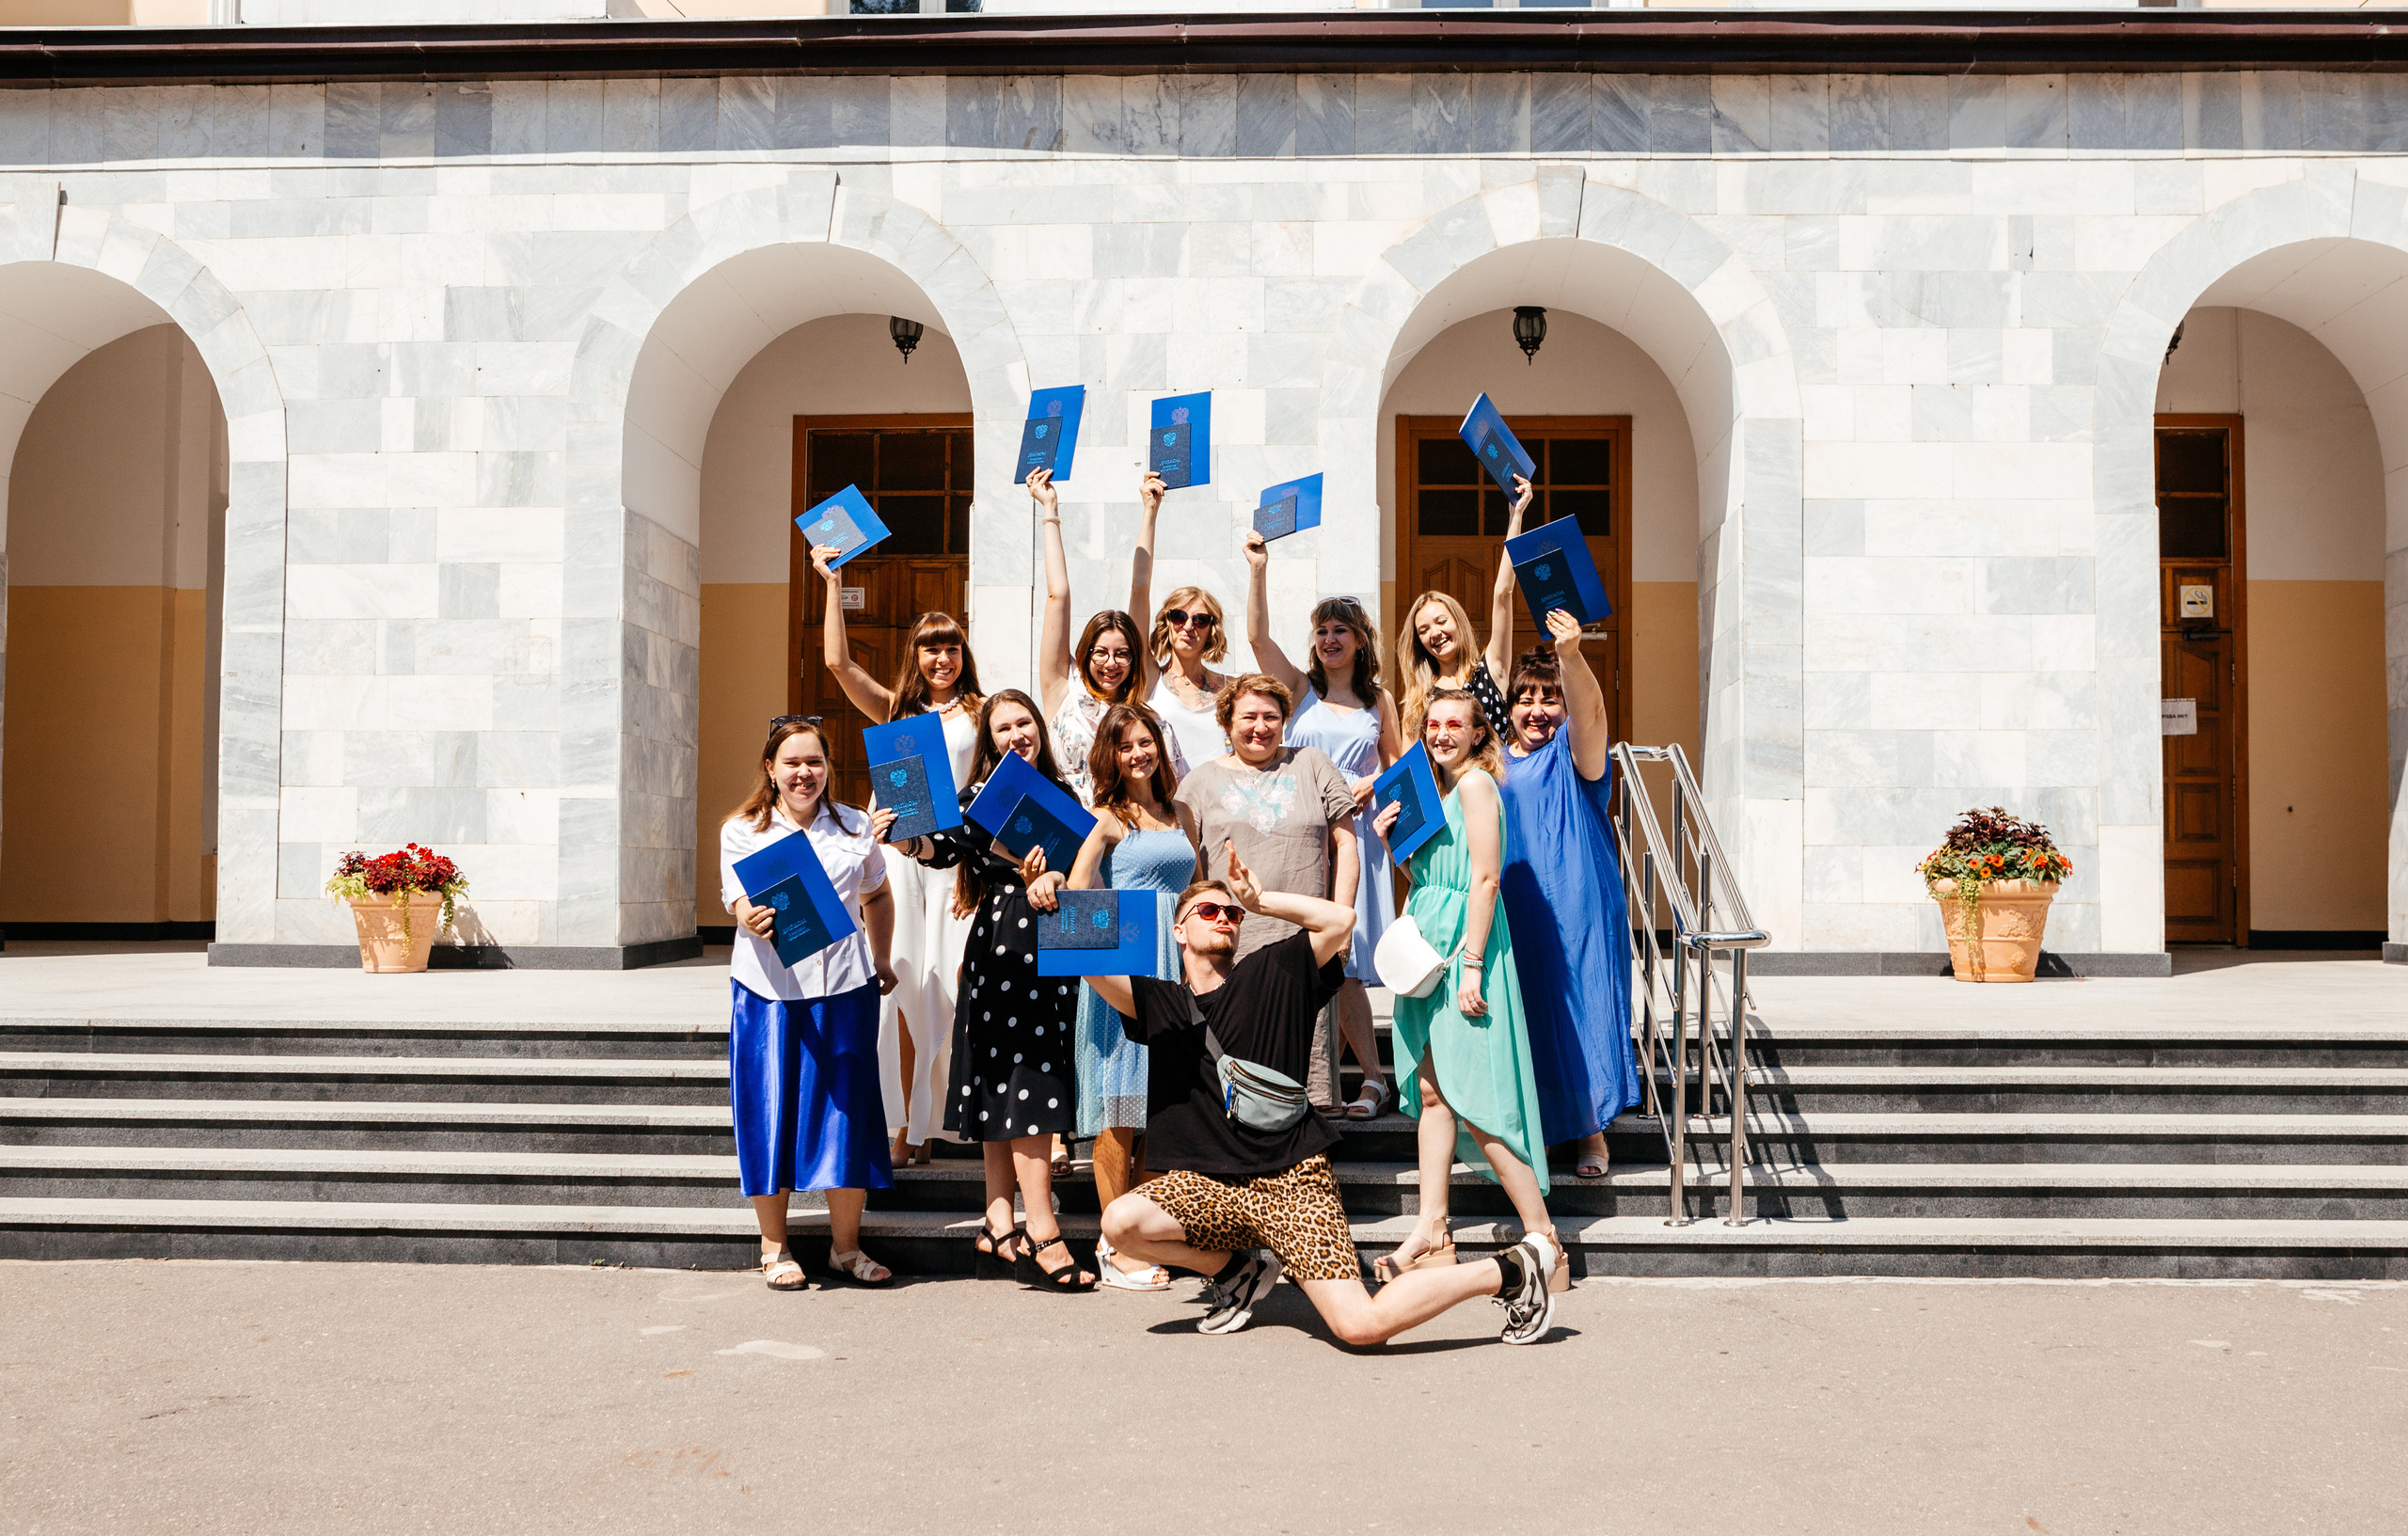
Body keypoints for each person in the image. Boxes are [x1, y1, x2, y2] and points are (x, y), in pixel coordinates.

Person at [1089, 854, 1562, 1346]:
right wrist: (1049, 889)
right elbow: (1088, 961)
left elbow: (1342, 921)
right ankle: (1238, 1273)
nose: (1226, 919)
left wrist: (1261, 900)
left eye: (1233, 914)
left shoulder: (1272, 970)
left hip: (1292, 1181)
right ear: (1179, 932)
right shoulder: (1163, 1003)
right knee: (1121, 1223)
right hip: (1212, 1187)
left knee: (1361, 1326)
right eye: (1210, 912)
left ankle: (1515, 1270)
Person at [880, 689, 1095, 1292]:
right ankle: (1043, 1232)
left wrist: (1057, 873)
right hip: (1004, 945)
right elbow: (943, 846)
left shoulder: (1067, 794)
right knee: (1024, 1085)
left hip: (1057, 942)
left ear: (1040, 729)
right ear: (988, 740)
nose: (1015, 735)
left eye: (1024, 723)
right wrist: (906, 839)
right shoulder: (979, 797)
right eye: (1002, 728)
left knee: (1023, 1081)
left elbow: (1083, 865)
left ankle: (999, 1224)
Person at [1372, 687, 1560, 1293]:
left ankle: (1543, 1237)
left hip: (1464, 949)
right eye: (1432, 724)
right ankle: (1433, 1230)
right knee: (1432, 1093)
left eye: (1456, 723)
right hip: (1428, 945)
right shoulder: (1437, 794)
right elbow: (1430, 876)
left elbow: (1483, 879)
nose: (1441, 733)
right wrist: (1389, 846)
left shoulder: (1477, 785)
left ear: (1479, 732)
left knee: (1475, 1097)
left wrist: (1473, 962)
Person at [812, 546, 983, 1168]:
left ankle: (958, 1118)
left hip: (955, 865)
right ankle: (909, 1125)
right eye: (932, 647)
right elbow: (836, 661)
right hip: (900, 866)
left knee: (954, 985)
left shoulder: (983, 715)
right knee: (906, 986)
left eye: (952, 646)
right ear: (915, 655)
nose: (943, 657)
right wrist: (833, 581)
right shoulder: (897, 712)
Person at [720, 716, 900, 1291]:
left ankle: (845, 1249)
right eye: (792, 763)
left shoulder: (854, 826)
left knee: (847, 1116)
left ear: (828, 767)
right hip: (769, 991)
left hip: (845, 987)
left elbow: (877, 892)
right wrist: (747, 914)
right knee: (769, 1110)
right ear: (770, 770)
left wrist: (883, 958)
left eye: (815, 762)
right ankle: (775, 1248)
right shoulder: (743, 829)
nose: (805, 773)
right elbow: (738, 899)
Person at [1243, 546, 1399, 1122]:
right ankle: (1328, 1081)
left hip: (1355, 838)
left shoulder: (1376, 699)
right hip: (1302, 839)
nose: (1330, 639)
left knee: (1347, 959)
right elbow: (1258, 640)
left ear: (1360, 640)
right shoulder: (1301, 690)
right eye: (1322, 630)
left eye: (1341, 630)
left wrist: (1368, 785)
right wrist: (1259, 570)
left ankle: (1371, 1081)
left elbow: (1398, 763)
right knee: (1315, 959)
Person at [1172, 673, 1359, 1115]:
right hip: (1231, 946)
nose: (1261, 726)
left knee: (1309, 1080)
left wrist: (1343, 919)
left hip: (1309, 941)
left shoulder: (1313, 764)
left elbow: (1347, 845)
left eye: (1271, 716)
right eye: (1249, 717)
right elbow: (1193, 875)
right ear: (1226, 722)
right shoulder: (1197, 785)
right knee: (1240, 1083)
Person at [1065, 704, 1200, 1291]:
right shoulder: (1105, 818)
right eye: (1126, 746)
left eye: (1146, 742)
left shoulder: (1183, 813)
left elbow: (1195, 888)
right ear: (1111, 757)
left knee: (1159, 1108)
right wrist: (1106, 966)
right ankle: (1111, 1244)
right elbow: (1075, 895)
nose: (1139, 753)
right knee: (1119, 1110)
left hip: (1180, 969)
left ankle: (1139, 1235)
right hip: (1127, 971)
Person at [1501, 613, 1640, 1180]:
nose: (1538, 710)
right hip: (1513, 903)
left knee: (1582, 1007)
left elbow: (1592, 714)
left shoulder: (1574, 754)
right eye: (1526, 699)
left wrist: (1573, 658)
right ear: (1507, 708)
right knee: (1528, 1013)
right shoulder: (1490, 763)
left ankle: (1590, 1131)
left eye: (1549, 699)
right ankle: (1536, 1130)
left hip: (1577, 901)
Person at [1032, 467, 1189, 807]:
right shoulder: (1063, 687)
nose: (1111, 663)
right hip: (1071, 836)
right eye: (1100, 652)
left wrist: (1150, 511)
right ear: (1086, 654)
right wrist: (1049, 509)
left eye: (1122, 654)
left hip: (1131, 837)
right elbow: (1058, 593)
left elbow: (1141, 588)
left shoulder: (1141, 705)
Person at [1394, 474, 1534, 740]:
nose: (1434, 633)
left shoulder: (1492, 668)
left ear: (1458, 622)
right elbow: (1410, 768)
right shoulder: (1417, 699)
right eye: (1423, 630)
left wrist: (1516, 516)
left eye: (1441, 621)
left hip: (1493, 782)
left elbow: (1503, 594)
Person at [1130, 471, 1232, 773]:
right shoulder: (1149, 678)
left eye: (1200, 619)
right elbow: (1139, 588)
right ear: (1166, 622)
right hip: (1167, 812)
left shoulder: (1231, 689)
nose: (1188, 626)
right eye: (1179, 616)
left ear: (1211, 630)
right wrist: (1150, 510)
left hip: (1218, 811)